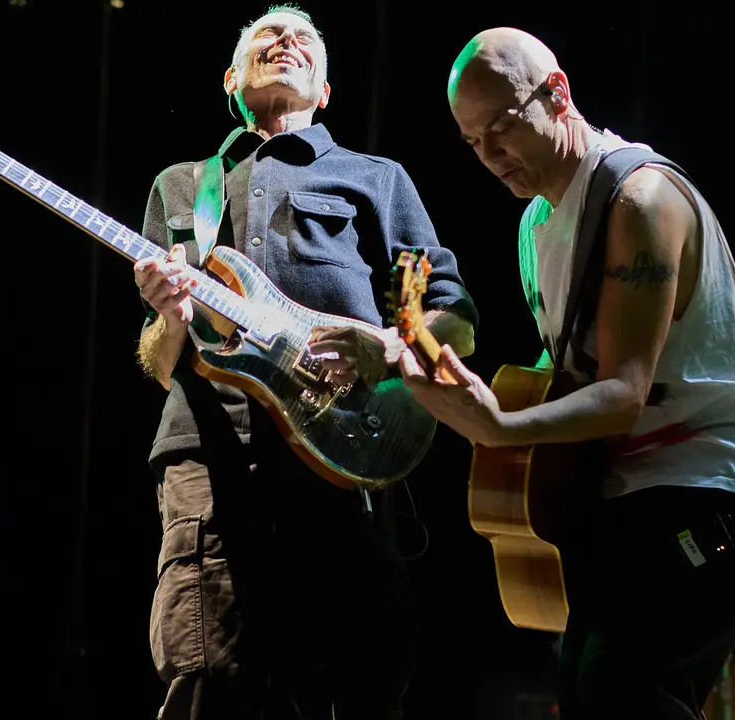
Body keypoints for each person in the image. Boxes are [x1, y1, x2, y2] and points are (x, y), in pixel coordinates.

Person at [397, 27, 735, 720]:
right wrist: (445, 381)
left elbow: (622, 394)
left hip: (727, 473)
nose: (491, 156)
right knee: (586, 693)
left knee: (626, 686)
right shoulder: (534, 226)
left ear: (558, 94)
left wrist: (502, 427)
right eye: (472, 143)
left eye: (500, 127)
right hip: (636, 485)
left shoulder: (639, 200)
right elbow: (571, 374)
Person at [131, 5, 478, 719]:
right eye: (267, 35)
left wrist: (384, 346)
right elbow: (159, 362)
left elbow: (458, 319)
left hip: (347, 450)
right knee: (207, 677)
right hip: (211, 456)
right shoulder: (180, 186)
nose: (286, 41)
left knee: (352, 680)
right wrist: (171, 316)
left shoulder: (377, 178)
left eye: (304, 40)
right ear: (232, 79)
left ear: (325, 91)